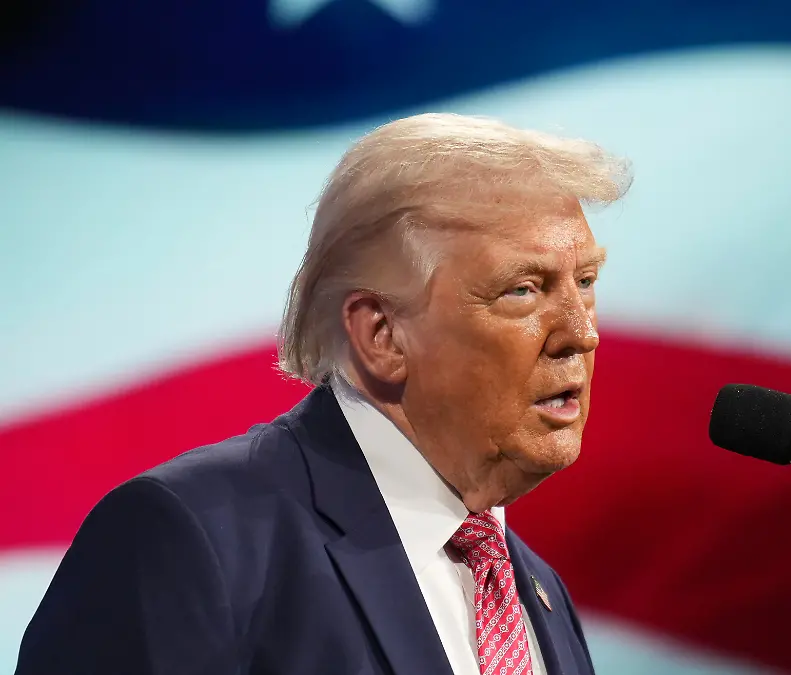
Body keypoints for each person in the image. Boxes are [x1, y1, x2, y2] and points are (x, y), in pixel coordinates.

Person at [15, 113, 633, 675]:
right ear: (382, 335)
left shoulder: (538, 594)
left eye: (585, 282)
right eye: (523, 290)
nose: (583, 332)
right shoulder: (190, 541)